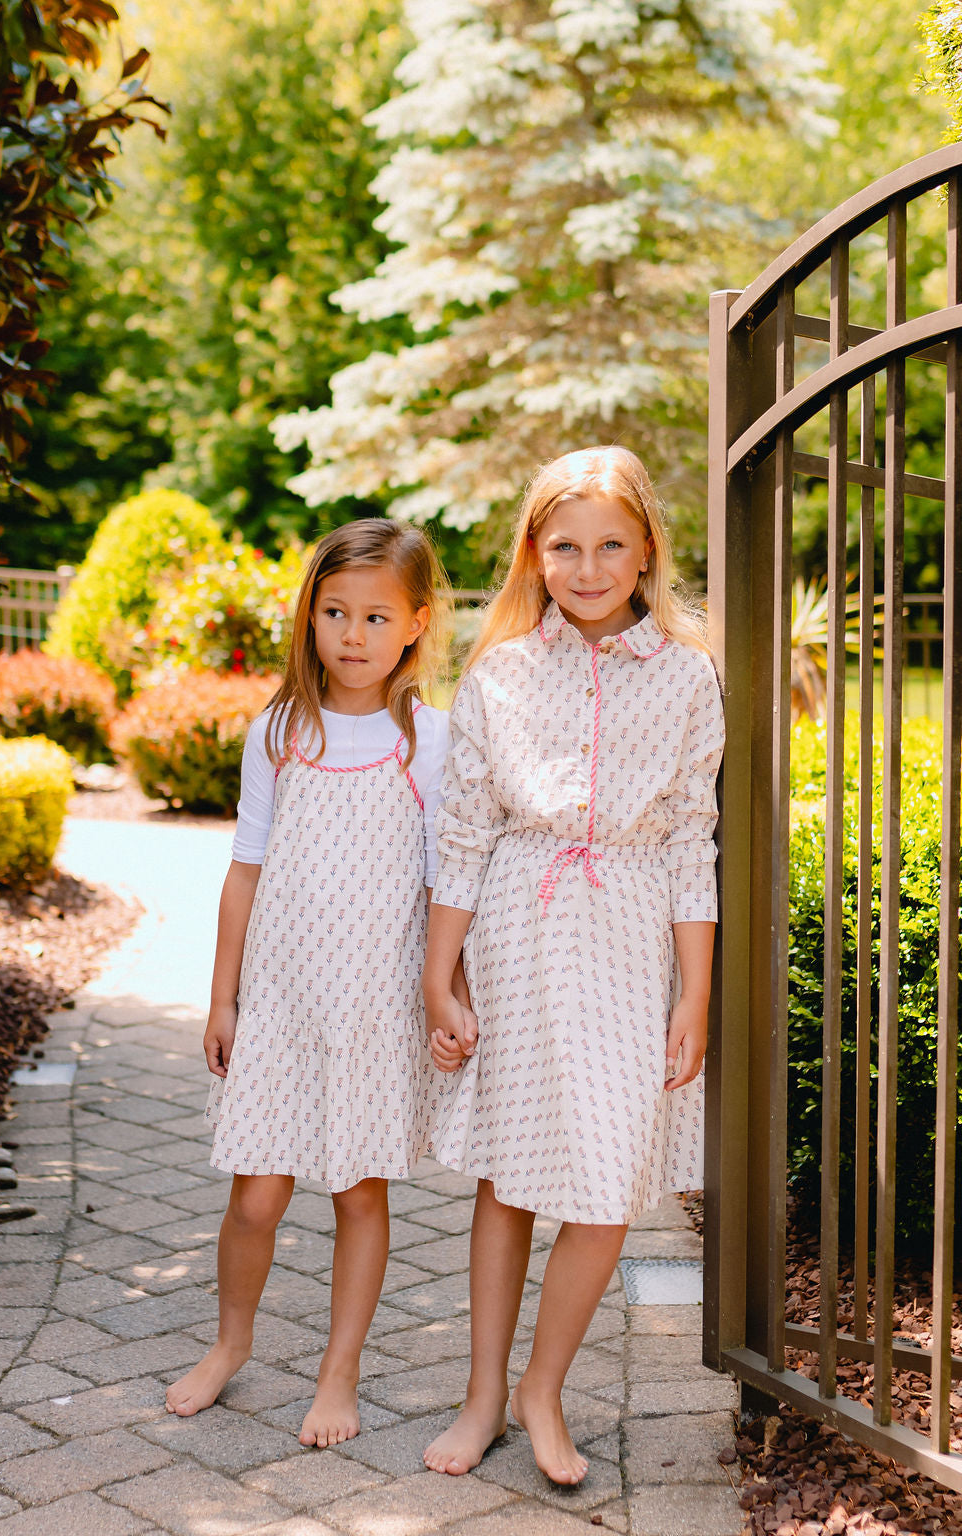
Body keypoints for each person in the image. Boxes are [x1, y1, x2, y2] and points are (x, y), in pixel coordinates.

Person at [422, 445, 724, 1485]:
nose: (586, 567)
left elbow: (694, 835)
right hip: (515, 928)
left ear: (645, 551)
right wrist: (438, 973)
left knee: (604, 1189)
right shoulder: (500, 672)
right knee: (510, 1177)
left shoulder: (688, 677)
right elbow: (461, 830)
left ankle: (542, 1391)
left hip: (630, 936)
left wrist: (694, 991)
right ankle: (480, 1397)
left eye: (608, 545)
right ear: (533, 554)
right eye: (564, 546)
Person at [166, 519, 452, 1446]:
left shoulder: (429, 743)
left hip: (372, 1011)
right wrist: (223, 996)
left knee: (357, 1194)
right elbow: (246, 867)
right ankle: (231, 1344)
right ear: (311, 617)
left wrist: (447, 990)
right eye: (336, 612)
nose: (353, 634)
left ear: (415, 624)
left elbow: (448, 880)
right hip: (282, 1005)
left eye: (376, 616)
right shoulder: (282, 731)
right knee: (255, 1193)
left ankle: (339, 1374)